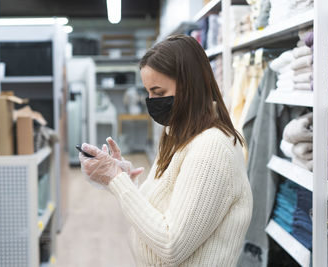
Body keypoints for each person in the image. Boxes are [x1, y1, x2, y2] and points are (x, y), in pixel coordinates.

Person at [79, 35, 253, 266]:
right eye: (148, 93)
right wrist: (126, 182)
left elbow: (171, 245)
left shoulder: (211, 149)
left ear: (190, 86)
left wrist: (116, 179)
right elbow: (165, 212)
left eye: (159, 93)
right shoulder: (177, 136)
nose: (151, 101)